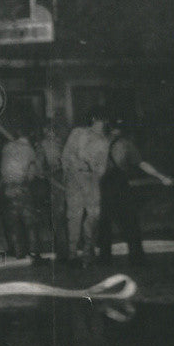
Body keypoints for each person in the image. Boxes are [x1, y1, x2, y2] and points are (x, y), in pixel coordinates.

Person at [97, 119, 172, 265]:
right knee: (129, 220)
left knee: (105, 221)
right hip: (119, 183)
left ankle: (104, 258)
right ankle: (136, 256)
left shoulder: (101, 142)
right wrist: (161, 176)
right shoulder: (126, 144)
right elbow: (142, 163)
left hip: (104, 183)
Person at [60, 110, 111, 266]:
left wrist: (92, 168)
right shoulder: (78, 133)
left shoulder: (104, 142)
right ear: (93, 120)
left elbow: (101, 168)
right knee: (73, 216)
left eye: (102, 122)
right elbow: (66, 155)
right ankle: (72, 254)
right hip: (74, 178)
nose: (98, 125)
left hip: (91, 180)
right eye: (96, 121)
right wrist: (70, 172)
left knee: (93, 215)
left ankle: (88, 252)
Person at [0, 128, 42, 260]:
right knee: (29, 221)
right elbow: (33, 173)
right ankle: (34, 251)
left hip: (6, 187)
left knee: (13, 221)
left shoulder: (7, 147)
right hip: (21, 186)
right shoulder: (29, 150)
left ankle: (18, 251)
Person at [37, 120, 68, 262]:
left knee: (58, 218)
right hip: (71, 179)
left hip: (56, 181)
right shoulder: (65, 142)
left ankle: (63, 252)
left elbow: (39, 169)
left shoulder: (43, 145)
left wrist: (45, 173)